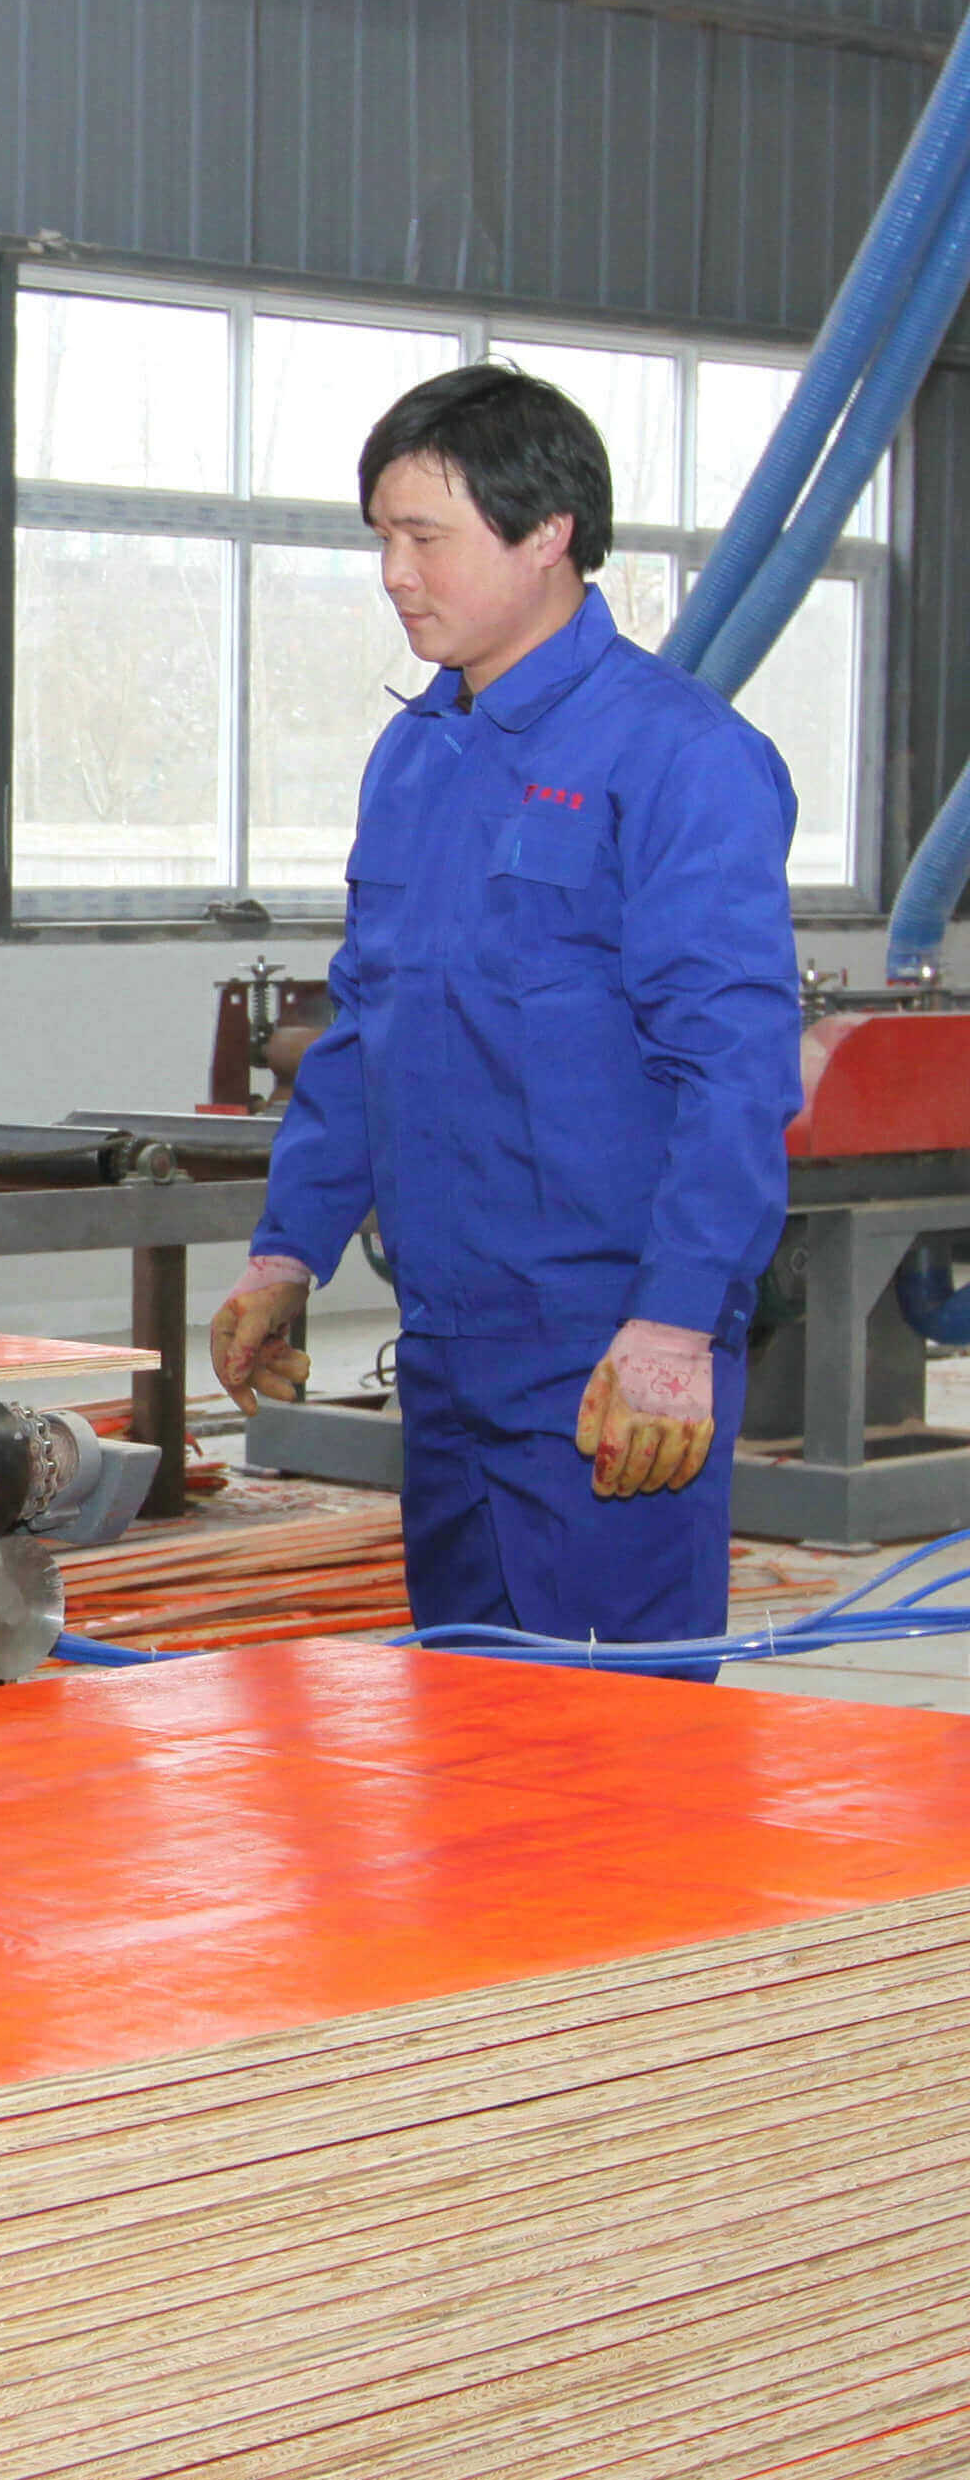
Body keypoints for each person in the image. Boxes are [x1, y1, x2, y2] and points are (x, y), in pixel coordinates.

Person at [206, 362, 802, 1651]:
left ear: (547, 534)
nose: (394, 574)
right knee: (471, 1712)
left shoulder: (682, 757)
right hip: (448, 1339)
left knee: (619, 1724)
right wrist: (287, 1252)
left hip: (610, 1348)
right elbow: (365, 1027)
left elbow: (733, 1068)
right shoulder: (417, 752)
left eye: (426, 537)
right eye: (382, 538)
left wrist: (674, 1325)